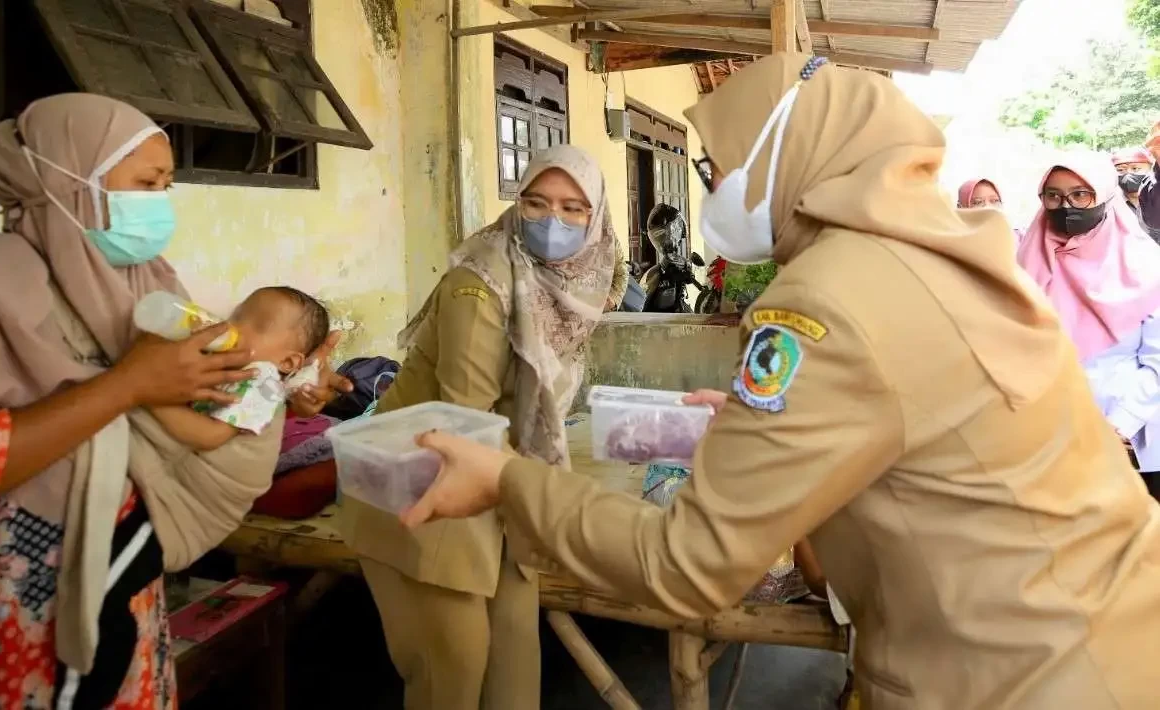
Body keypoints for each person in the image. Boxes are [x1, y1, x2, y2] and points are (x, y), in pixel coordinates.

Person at [398, 54, 1160, 709]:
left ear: (784, 156)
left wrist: (506, 481)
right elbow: (921, 421)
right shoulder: (944, 254)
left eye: (719, 164)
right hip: (1100, 641)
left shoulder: (828, 295)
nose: (713, 184)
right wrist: (769, 422)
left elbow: (686, 565)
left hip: (1016, 679)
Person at [0, 94, 350, 708]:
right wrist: (123, 387)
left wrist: (279, 402)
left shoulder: (142, 282)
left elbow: (203, 388)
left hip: (127, 585)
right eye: (144, 183)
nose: (157, 205)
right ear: (68, 179)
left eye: (165, 185)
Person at [341, 145, 616, 710]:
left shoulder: (577, 279)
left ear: (598, 217)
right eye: (536, 202)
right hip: (423, 479)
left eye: (573, 208)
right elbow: (464, 414)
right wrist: (546, 493)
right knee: (455, 668)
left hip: (497, 475)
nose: (552, 221)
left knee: (514, 655)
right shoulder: (482, 282)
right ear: (517, 204)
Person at [1017, 153, 1160, 500]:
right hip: (1048, 440)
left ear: (1105, 196)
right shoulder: (1022, 264)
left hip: (1129, 440)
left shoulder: (1146, 264)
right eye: (1053, 195)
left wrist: (1119, 424)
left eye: (1081, 194)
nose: (1066, 205)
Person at [154, 286, 330, 450]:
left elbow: (210, 436)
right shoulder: (225, 361)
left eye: (260, 325)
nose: (233, 327)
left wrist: (151, 396)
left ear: (287, 362)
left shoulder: (261, 381)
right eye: (236, 316)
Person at [1110, 147, 1160, 242]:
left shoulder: (1156, 197)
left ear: (1150, 169)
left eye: (1135, 168)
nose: (1128, 174)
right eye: (1120, 170)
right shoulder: (1110, 205)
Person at [957, 177, 1023, 243]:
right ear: (961, 208)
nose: (988, 207)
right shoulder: (956, 246)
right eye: (978, 202)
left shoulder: (1020, 238)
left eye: (994, 201)